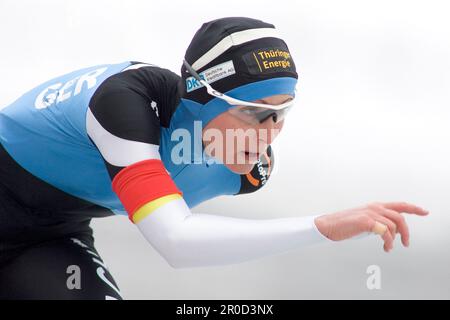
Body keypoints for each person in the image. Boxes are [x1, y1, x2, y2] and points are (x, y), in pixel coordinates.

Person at [0, 17, 428, 300]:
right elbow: (176, 242)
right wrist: (321, 227)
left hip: (45, 239)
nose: (269, 134)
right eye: (258, 113)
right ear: (205, 99)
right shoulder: (124, 104)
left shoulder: (244, 170)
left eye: (282, 113)